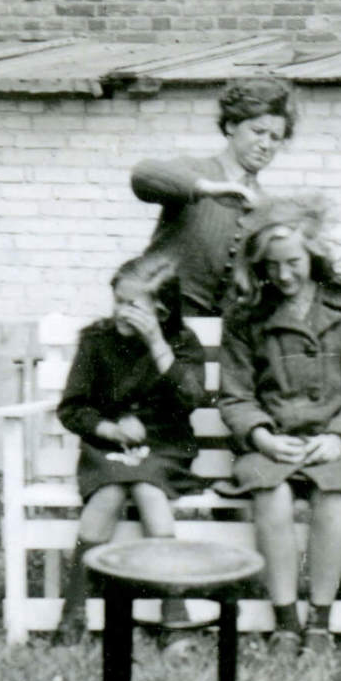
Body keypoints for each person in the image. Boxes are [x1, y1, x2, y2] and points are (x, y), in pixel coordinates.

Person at [215, 195, 341, 662]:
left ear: (314, 253)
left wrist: (339, 437)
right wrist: (263, 437)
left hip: (333, 441)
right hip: (272, 443)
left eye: (294, 262)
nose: (284, 275)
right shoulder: (247, 314)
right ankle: (286, 620)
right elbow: (235, 394)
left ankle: (321, 621)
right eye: (272, 266)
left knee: (331, 497)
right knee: (272, 495)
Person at [55, 251, 207, 642]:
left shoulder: (182, 343)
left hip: (165, 448)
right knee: (105, 495)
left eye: (133, 305)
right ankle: (73, 614)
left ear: (161, 308)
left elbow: (190, 397)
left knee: (147, 489)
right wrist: (108, 428)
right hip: (108, 445)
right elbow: (73, 408)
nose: (122, 312)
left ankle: (175, 614)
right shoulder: (97, 340)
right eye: (118, 302)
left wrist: (156, 342)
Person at [131, 76, 296, 318]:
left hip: (220, 328)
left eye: (275, 138)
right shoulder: (195, 171)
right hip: (161, 314)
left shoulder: (264, 203)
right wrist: (209, 189)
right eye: (258, 131)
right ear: (230, 125)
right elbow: (143, 175)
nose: (265, 145)